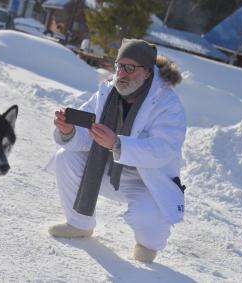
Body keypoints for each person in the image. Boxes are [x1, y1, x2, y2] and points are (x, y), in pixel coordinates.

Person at [46, 39, 186, 263]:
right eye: (120, 65)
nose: (122, 73)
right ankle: (79, 224)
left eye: (130, 68)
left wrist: (117, 144)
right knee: (66, 157)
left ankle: (148, 245)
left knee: (148, 222)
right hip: (106, 169)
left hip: (145, 181)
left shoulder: (168, 104)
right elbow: (87, 134)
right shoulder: (107, 91)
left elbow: (163, 149)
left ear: (148, 73)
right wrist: (68, 130)